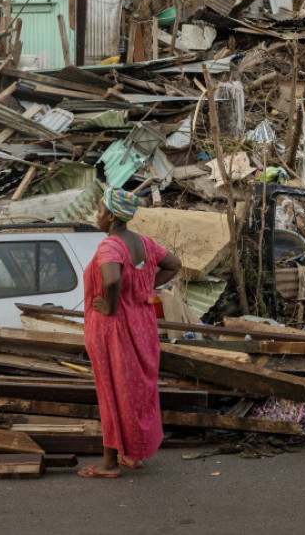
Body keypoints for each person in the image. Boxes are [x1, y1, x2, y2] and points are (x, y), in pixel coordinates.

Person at [78, 187, 182, 478]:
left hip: (113, 329)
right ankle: (132, 455)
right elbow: (173, 264)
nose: (97, 216)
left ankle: (109, 464)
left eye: (100, 211)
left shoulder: (110, 246)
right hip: (142, 326)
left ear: (111, 216)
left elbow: (111, 280)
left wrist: (110, 306)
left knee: (111, 391)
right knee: (136, 391)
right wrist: (145, 288)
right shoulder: (145, 244)